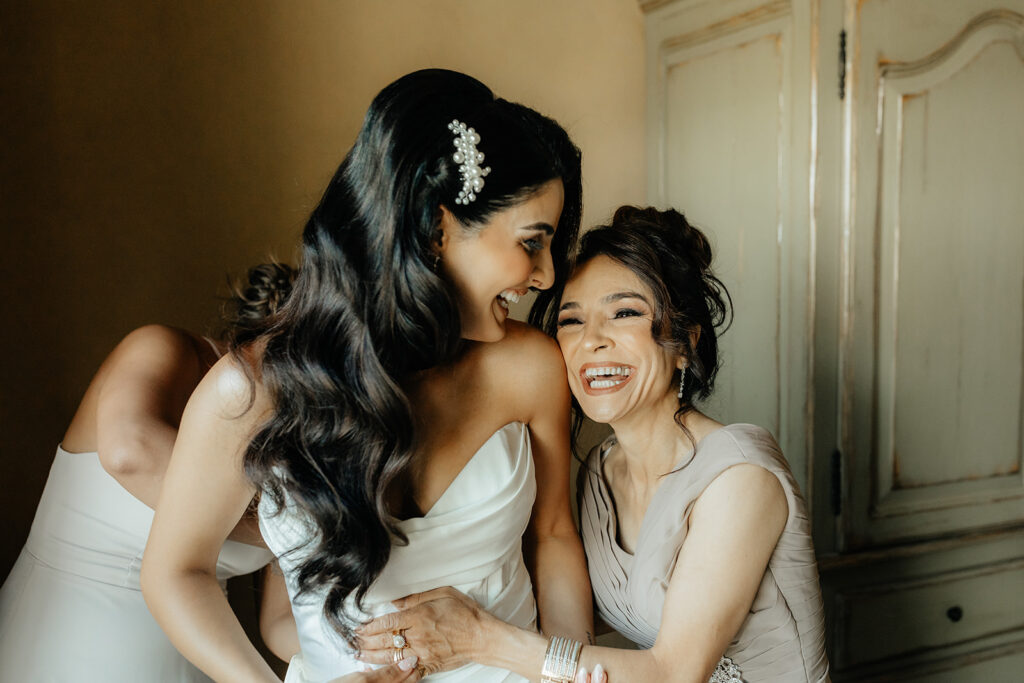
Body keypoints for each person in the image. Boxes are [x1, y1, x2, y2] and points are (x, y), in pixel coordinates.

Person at [140, 69, 593, 683]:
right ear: (437, 230)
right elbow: (175, 572)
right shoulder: (253, 390)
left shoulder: (531, 367)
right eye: (532, 242)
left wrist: (565, 671)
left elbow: (556, 535)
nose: (543, 276)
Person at [355, 207, 830, 682]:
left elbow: (674, 672)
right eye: (571, 320)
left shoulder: (739, 477)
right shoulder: (600, 473)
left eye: (624, 313)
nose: (592, 342)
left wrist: (479, 636)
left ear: (685, 341)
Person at [0, 263, 293, 682]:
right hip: (69, 641)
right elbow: (129, 452)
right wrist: (293, 527)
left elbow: (279, 621)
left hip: (198, 657)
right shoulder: (162, 348)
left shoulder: (295, 435)